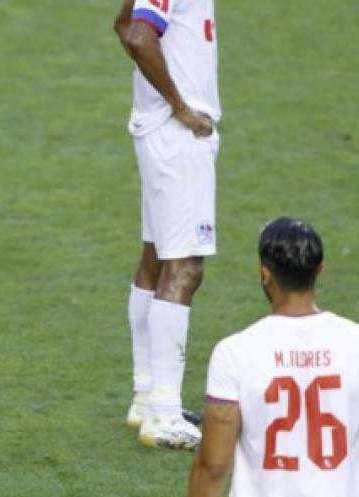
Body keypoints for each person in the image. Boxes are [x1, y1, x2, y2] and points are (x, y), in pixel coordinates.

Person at [177, 218, 359, 497]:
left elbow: (213, 465)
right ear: (321, 271)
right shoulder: (354, 342)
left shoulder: (236, 352)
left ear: (264, 273)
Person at [114, 0, 221, 450]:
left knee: (156, 258)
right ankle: (164, 412)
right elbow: (138, 35)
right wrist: (179, 106)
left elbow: (123, 24)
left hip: (159, 133)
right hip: (177, 138)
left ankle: (147, 398)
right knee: (184, 267)